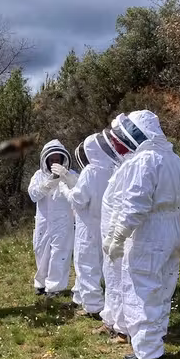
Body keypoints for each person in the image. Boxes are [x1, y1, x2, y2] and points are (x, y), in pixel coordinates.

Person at [103, 110, 180, 359]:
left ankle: (148, 355)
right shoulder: (174, 159)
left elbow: (134, 205)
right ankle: (155, 343)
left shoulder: (144, 161)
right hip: (173, 229)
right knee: (163, 289)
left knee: (142, 289)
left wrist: (118, 237)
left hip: (150, 232)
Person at [60, 132, 119, 317]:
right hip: (108, 224)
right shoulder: (115, 169)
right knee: (100, 265)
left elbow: (79, 200)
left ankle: (93, 306)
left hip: (88, 226)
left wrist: (65, 188)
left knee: (86, 265)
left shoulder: (91, 171)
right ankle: (80, 297)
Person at [99, 119, 136, 344]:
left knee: (123, 281)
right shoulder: (121, 167)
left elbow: (125, 205)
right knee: (112, 278)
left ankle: (123, 328)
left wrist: (116, 236)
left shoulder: (133, 166)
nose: (114, 146)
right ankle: (113, 321)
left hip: (122, 236)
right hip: (113, 233)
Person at [28, 140, 77, 299]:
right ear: (46, 160)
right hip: (43, 221)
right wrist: (49, 183)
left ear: (63, 159)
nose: (55, 162)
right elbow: (33, 195)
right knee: (41, 252)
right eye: (52, 160)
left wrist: (66, 176)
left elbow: (80, 190)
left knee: (59, 254)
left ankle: (55, 287)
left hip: (63, 221)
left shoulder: (71, 174)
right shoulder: (38, 176)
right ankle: (41, 284)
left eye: (57, 159)